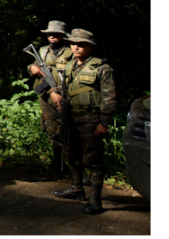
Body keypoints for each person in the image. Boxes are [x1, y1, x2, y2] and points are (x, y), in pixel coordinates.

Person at [50, 29, 116, 215]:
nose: (75, 47)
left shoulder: (102, 68)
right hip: (71, 119)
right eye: (73, 44)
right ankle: (76, 188)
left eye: (80, 44)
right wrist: (53, 91)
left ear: (90, 46)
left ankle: (95, 198)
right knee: (71, 154)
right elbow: (64, 87)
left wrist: (104, 122)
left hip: (91, 120)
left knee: (93, 159)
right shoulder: (70, 66)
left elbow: (109, 98)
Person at [27, 20, 74, 169]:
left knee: (69, 129)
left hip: (64, 94)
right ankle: (57, 161)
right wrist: (32, 68)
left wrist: (58, 91)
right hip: (45, 95)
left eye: (56, 34)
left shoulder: (71, 52)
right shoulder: (42, 51)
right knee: (51, 129)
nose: (52, 36)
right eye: (50, 34)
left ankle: (73, 164)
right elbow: (33, 65)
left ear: (63, 36)